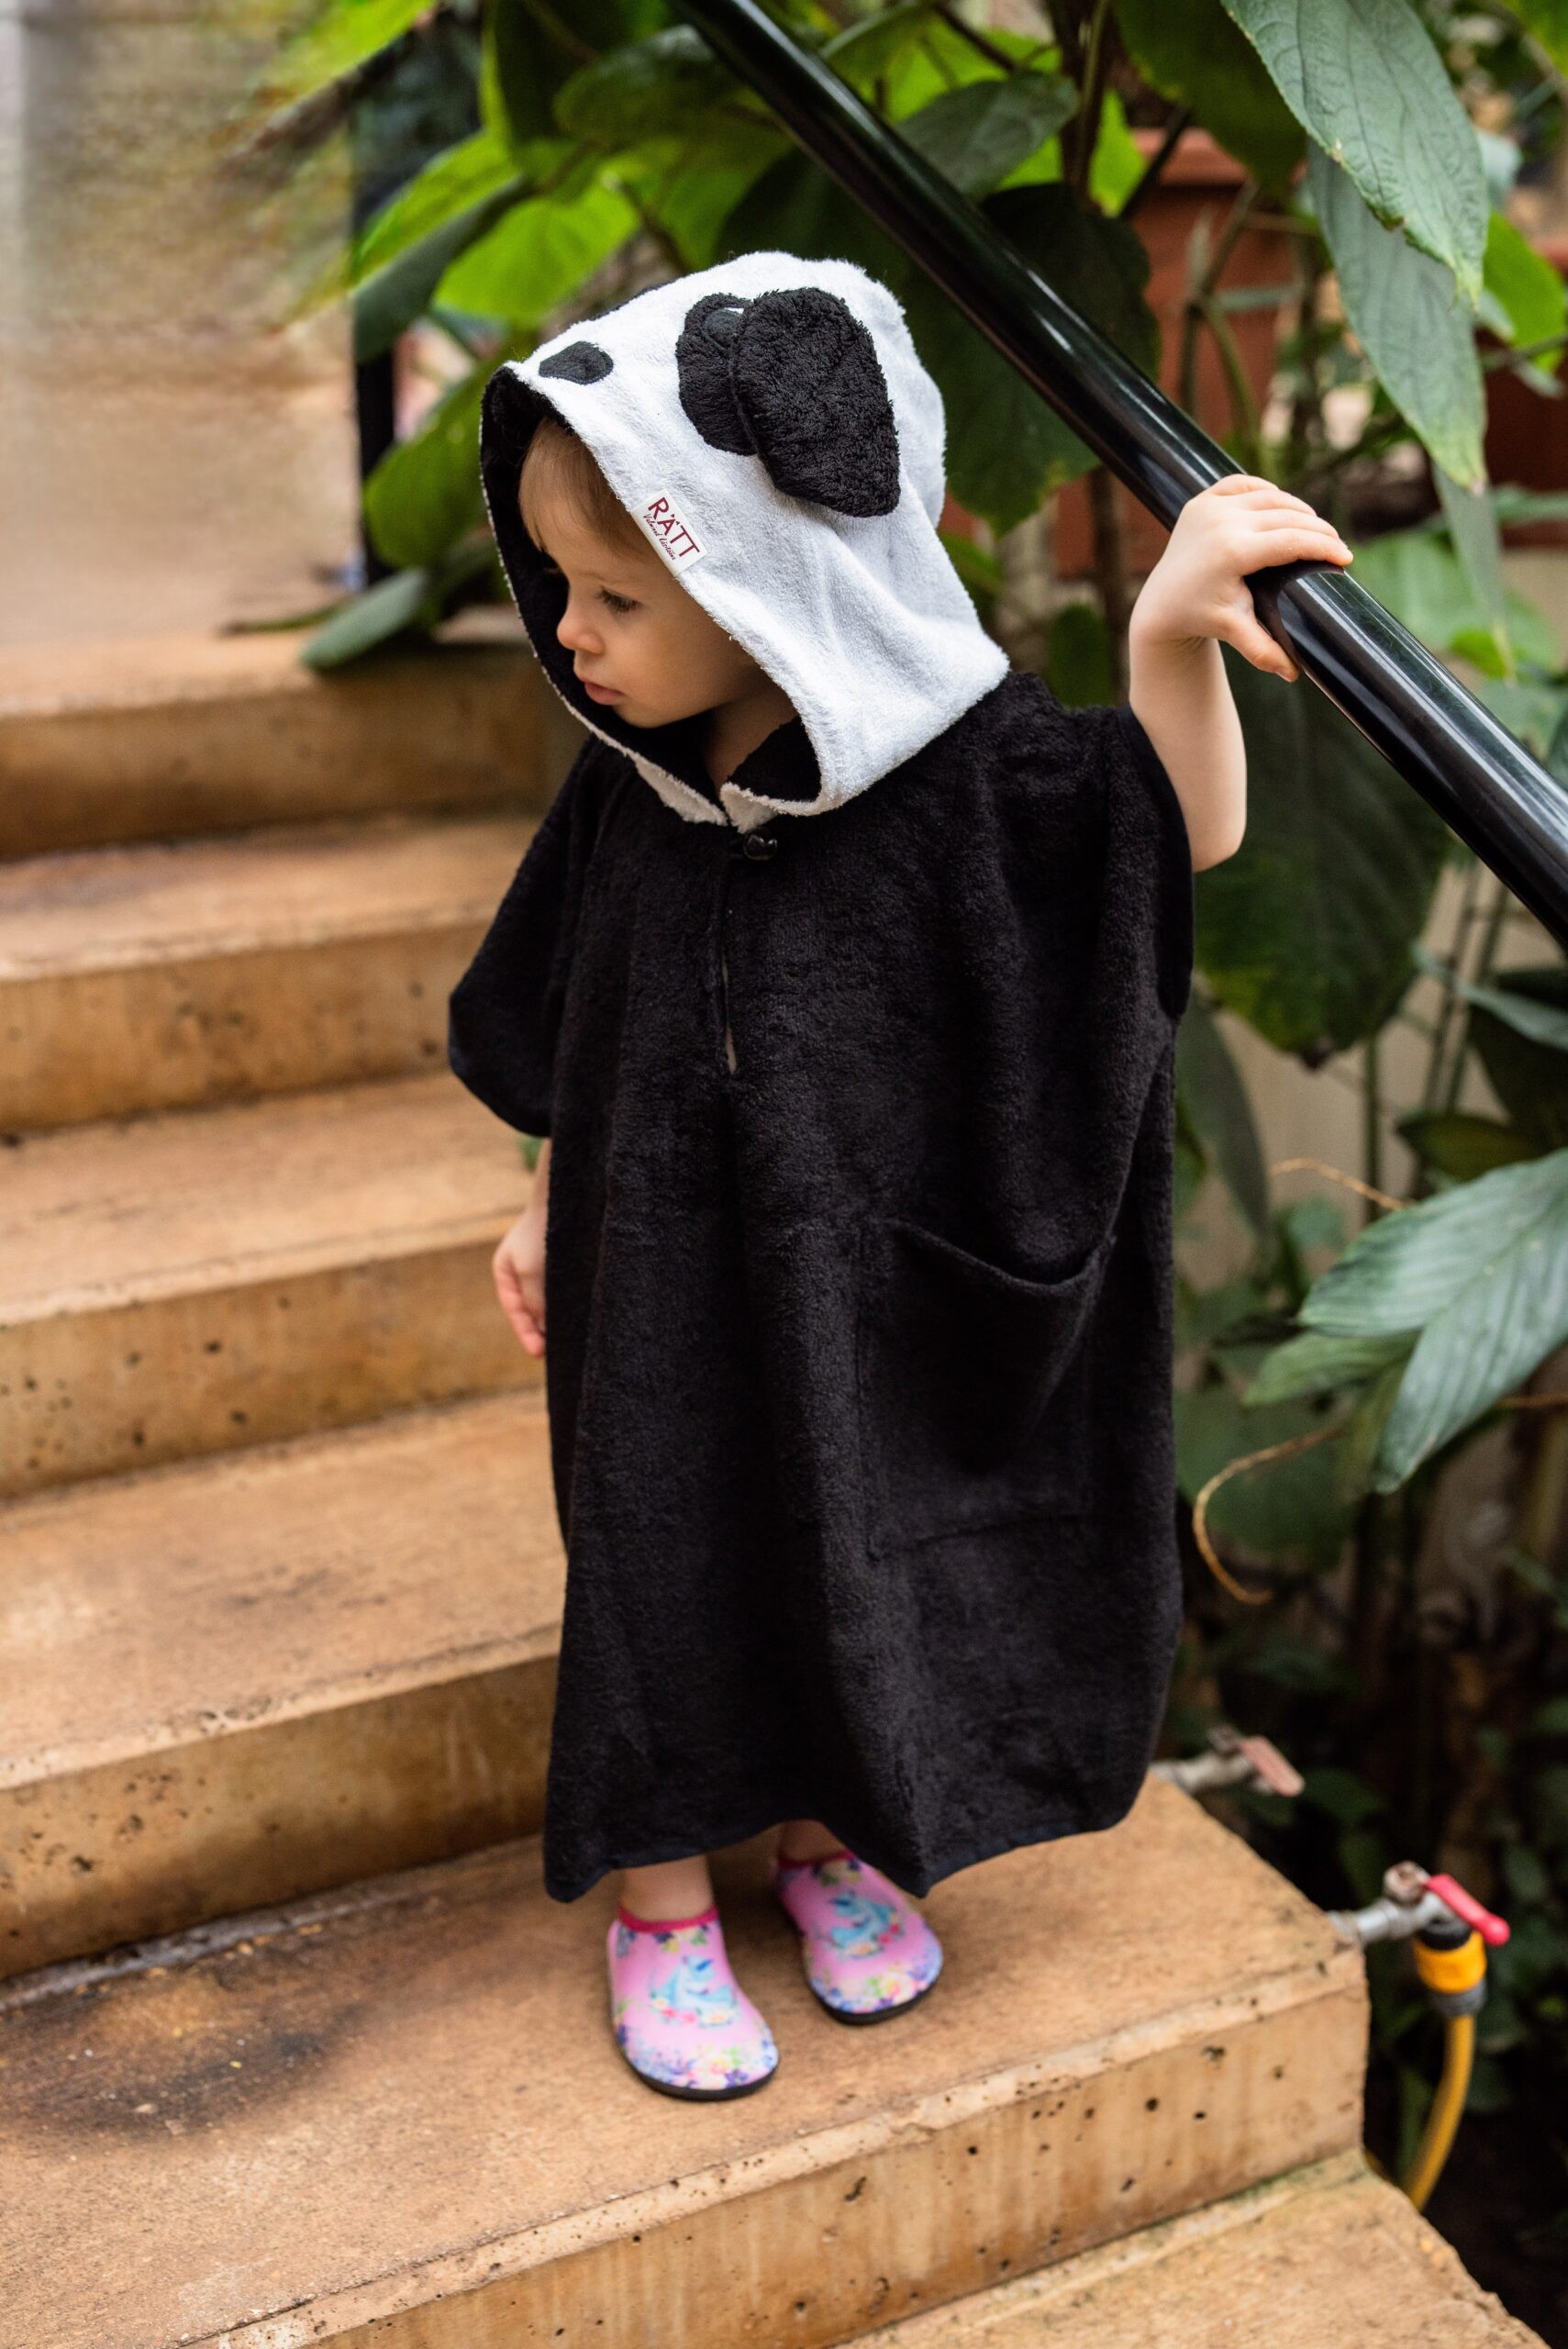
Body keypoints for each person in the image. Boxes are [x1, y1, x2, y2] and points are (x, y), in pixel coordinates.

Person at [447, 251, 1351, 2101]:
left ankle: (828, 1833)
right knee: (660, 1555)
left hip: (852, 1278)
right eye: (560, 587)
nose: (574, 635)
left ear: (767, 571)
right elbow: (570, 1009)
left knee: (840, 1542)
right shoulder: (631, 786)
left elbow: (1165, 836)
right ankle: (662, 1900)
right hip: (651, 1272)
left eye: (620, 592)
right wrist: (542, 1195)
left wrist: (1169, 636)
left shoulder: (968, 774)